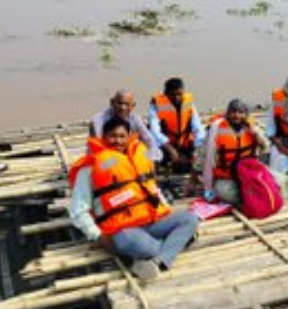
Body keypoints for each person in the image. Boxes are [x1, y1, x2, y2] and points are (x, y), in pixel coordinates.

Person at [68, 116, 199, 282]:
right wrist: (97, 236)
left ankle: (155, 260)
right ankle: (173, 246)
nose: (118, 141)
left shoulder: (140, 157)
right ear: (103, 137)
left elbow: (153, 189)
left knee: (190, 218)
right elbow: (77, 210)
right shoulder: (90, 167)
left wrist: (166, 210)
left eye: (122, 136)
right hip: (123, 230)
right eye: (112, 136)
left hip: (152, 221)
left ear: (129, 136)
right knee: (131, 243)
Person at [202, 99, 270, 204]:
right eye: (233, 112)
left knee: (277, 182)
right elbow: (203, 155)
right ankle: (250, 197)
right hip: (227, 176)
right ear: (227, 114)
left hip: (249, 173)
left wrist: (255, 134)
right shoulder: (215, 129)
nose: (236, 115)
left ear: (245, 114)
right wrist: (194, 178)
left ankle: (253, 195)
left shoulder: (253, 127)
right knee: (224, 193)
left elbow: (265, 147)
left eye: (240, 112)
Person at [148, 78, 207, 195]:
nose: (176, 98)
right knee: (153, 148)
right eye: (173, 94)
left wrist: (197, 148)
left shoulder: (189, 103)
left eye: (179, 94)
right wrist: (170, 150)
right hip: (165, 145)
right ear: (166, 94)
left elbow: (198, 128)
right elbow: (154, 131)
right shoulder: (156, 105)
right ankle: (164, 169)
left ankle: (195, 174)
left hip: (184, 142)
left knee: (201, 152)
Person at [90, 89, 161, 160]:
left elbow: (148, 139)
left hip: (125, 153)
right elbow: (98, 145)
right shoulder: (98, 120)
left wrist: (152, 158)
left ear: (133, 106)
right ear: (112, 102)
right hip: (104, 156)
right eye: (120, 103)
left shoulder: (135, 118)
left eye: (127, 104)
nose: (123, 107)